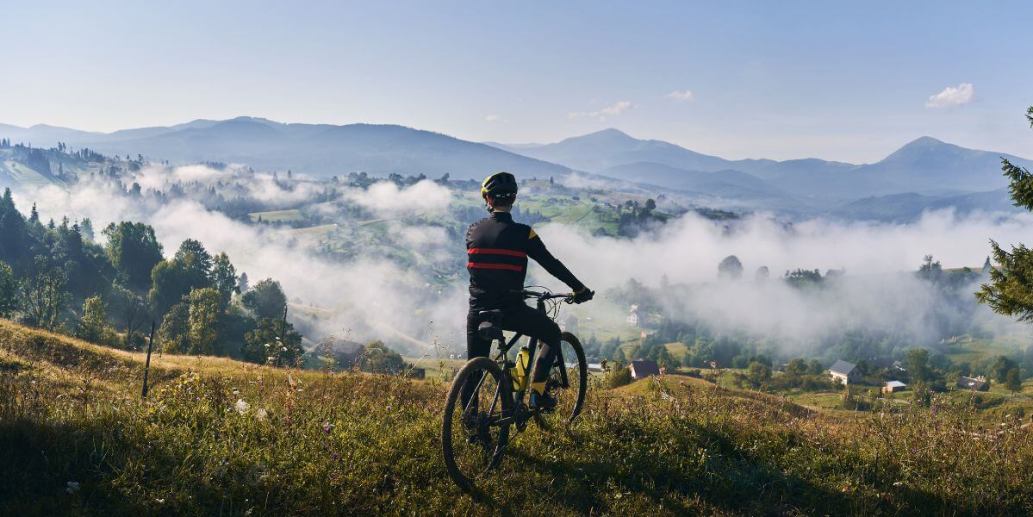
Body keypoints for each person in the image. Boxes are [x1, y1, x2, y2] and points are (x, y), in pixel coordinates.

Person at [466, 171, 593, 409]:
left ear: (488, 199)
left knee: (473, 369)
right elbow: (551, 264)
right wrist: (579, 288)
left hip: (478, 311)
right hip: (510, 310)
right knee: (552, 333)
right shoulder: (525, 233)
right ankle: (538, 395)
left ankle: (470, 421)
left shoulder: (473, 230)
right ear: (513, 198)